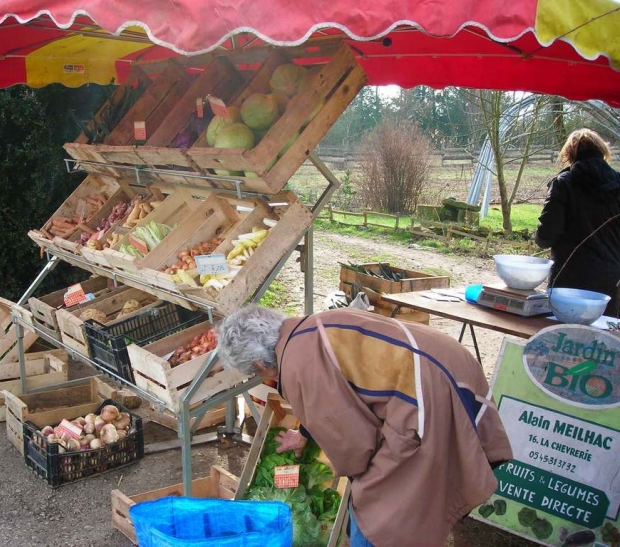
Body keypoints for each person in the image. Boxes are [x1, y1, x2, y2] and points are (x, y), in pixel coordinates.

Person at [217, 305, 513, 547]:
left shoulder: (296, 367)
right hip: (450, 364)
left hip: (425, 394)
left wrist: (353, 480)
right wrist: (307, 433)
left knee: (376, 515)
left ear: (257, 365)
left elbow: (356, 447)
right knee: (412, 493)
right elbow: (351, 386)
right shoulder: (308, 327)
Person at [535, 128, 620, 317]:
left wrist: (539, 235)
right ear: (602, 151)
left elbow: (545, 236)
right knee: (604, 340)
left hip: (568, 281)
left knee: (562, 339)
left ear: (569, 154)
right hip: (612, 279)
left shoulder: (563, 183)